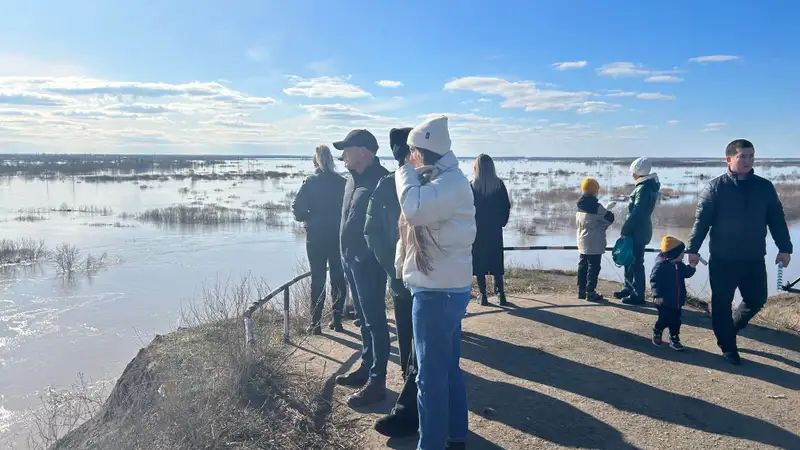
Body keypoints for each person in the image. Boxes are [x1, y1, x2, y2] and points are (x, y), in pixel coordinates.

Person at [395, 115, 476, 450]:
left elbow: (413, 210)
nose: (410, 155)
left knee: (429, 378)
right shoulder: (441, 179)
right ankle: (456, 435)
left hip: (436, 293)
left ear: (425, 151)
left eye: (413, 151)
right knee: (448, 370)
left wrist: (402, 169)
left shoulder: (450, 184)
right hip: (442, 288)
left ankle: (431, 445)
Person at [686, 139, 792, 365]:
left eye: (751, 156)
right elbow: (701, 222)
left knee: (756, 299)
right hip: (723, 258)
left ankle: (730, 329)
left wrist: (785, 248)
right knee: (722, 302)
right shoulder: (715, 188)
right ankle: (728, 346)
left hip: (753, 256)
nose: (747, 161)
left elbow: (776, 220)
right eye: (742, 156)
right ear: (729, 159)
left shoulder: (764, 187)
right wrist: (692, 249)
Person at [365, 127, 419, 438]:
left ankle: (412, 406)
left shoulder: (434, 182)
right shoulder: (387, 185)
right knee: (409, 341)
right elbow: (372, 232)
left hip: (430, 283)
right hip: (402, 283)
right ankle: (409, 394)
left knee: (424, 344)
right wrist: (395, 268)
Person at [332, 129, 391, 407]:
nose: (342, 154)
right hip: (349, 260)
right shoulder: (351, 180)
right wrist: (347, 255)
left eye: (347, 148)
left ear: (364, 151)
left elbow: (387, 228)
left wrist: (364, 256)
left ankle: (378, 382)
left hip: (368, 264)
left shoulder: (382, 182)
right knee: (363, 321)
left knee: (375, 321)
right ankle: (366, 367)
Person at [291, 144, 347, 334]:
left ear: (315, 160)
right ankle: (337, 319)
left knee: (318, 278)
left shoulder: (310, 182)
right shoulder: (342, 182)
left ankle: (315, 323)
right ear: (331, 160)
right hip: (337, 235)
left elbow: (297, 209)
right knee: (339, 277)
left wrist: (309, 217)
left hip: (316, 236)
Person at [615, 157, 661, 305]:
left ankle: (638, 294)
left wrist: (625, 229)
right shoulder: (646, 186)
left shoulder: (643, 188)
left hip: (637, 230)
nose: (631, 174)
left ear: (637, 172)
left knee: (635, 262)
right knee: (629, 259)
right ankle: (629, 288)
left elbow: (638, 212)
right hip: (639, 229)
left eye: (633, 172)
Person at [471, 154, 511, 306]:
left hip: (478, 230)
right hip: (494, 230)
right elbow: (506, 206)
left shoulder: (472, 186)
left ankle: (483, 295)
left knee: (479, 262)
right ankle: (501, 294)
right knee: (496, 262)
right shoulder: (499, 185)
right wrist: (501, 222)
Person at [649, 236, 697, 351]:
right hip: (664, 301)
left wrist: (692, 266)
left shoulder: (679, 264)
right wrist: (657, 295)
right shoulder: (661, 266)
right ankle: (657, 331)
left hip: (677, 300)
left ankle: (674, 337)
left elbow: (686, 273)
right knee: (664, 319)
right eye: (681, 253)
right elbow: (654, 281)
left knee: (676, 321)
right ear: (674, 254)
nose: (683, 255)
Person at [576, 177, 615, 302]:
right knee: (594, 267)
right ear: (595, 191)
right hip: (595, 242)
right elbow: (609, 218)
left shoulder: (579, 205)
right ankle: (590, 292)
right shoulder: (596, 207)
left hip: (582, 240)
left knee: (583, 265)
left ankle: (581, 291)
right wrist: (608, 209)